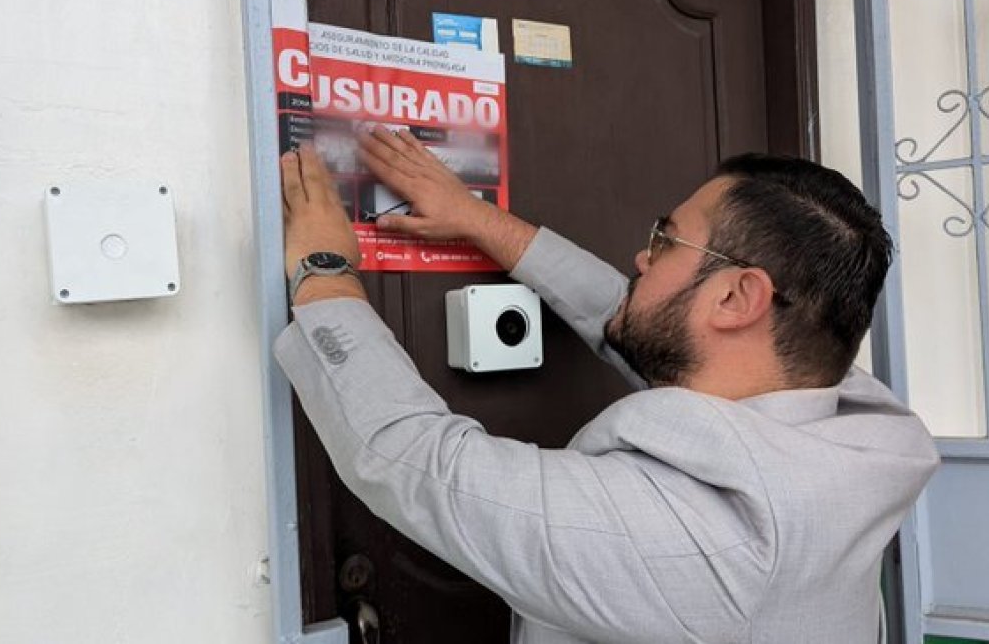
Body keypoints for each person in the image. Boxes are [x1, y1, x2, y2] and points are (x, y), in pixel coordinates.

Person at [274, 128, 939, 644]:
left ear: (737, 297)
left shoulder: (706, 544)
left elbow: (410, 459)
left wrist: (323, 269)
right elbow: (639, 323)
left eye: (667, 241)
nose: (643, 256)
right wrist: (478, 219)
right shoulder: (850, 430)